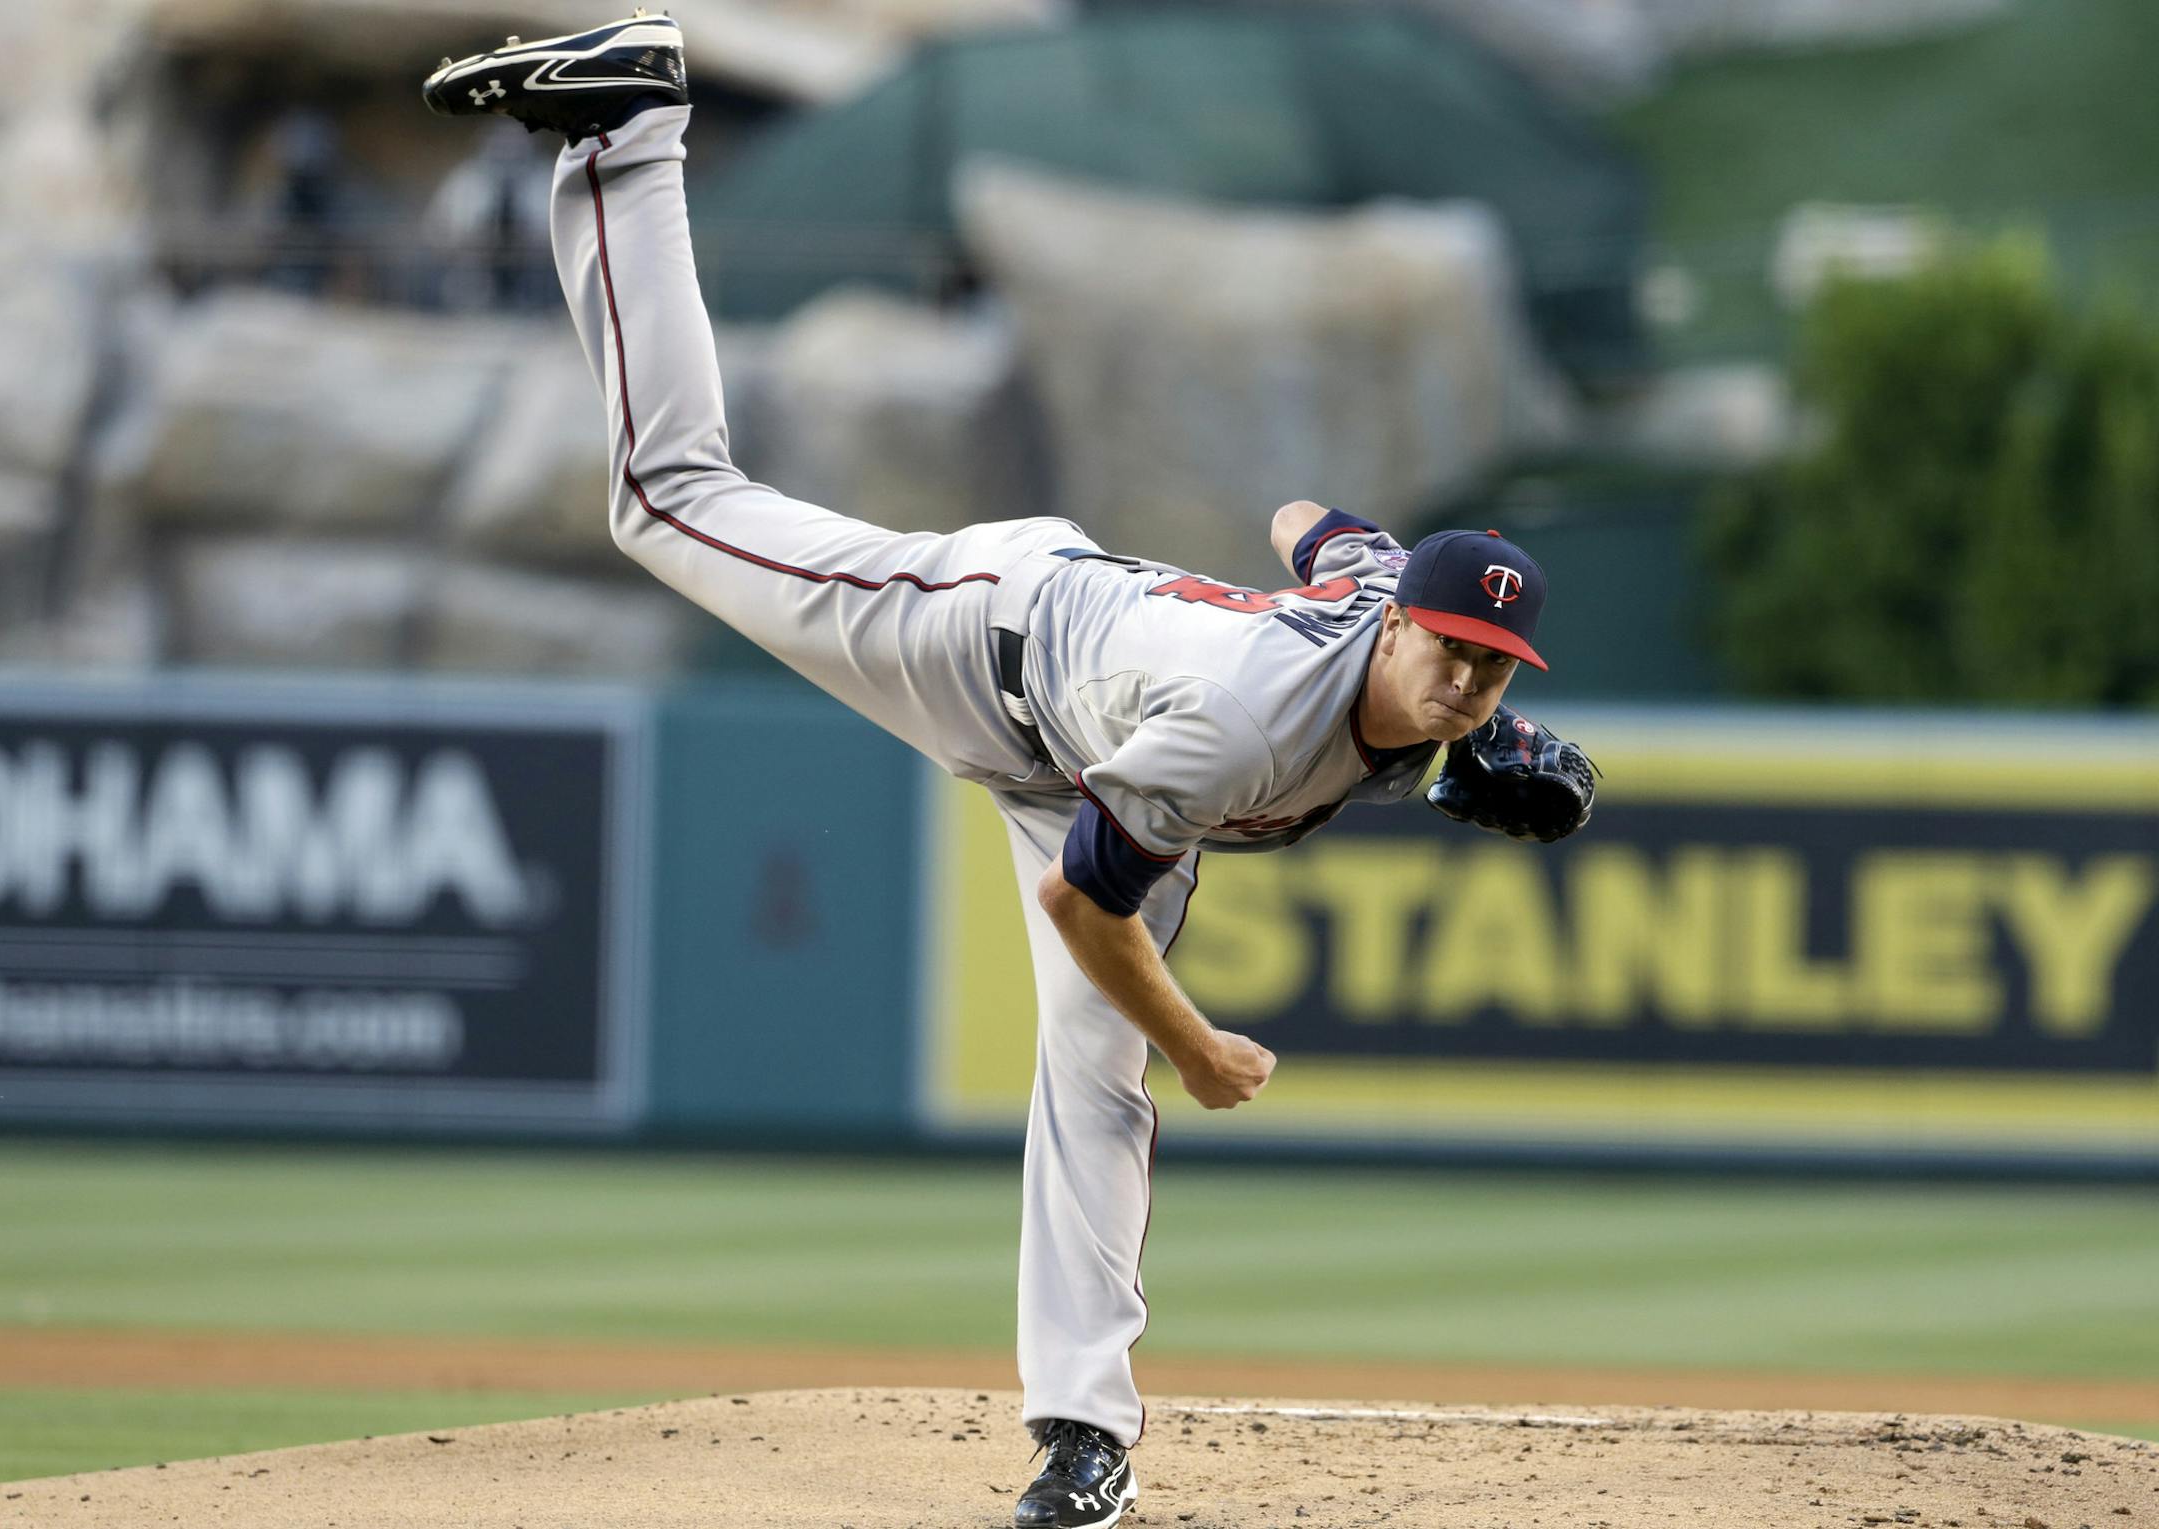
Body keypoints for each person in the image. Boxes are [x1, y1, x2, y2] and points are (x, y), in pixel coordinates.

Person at [425, 16, 1580, 1528]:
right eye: (1450, 650)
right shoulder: (1244, 722)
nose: (1469, 683)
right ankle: (630, 132)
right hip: (989, 640)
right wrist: (1204, 1043)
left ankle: (1083, 1439)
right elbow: (1087, 904)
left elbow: (1315, 519)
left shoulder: (1391, 620)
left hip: (1092, 728)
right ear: (1405, 623)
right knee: (666, 499)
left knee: (1090, 1085)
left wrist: (1445, 719)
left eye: (1494, 673)